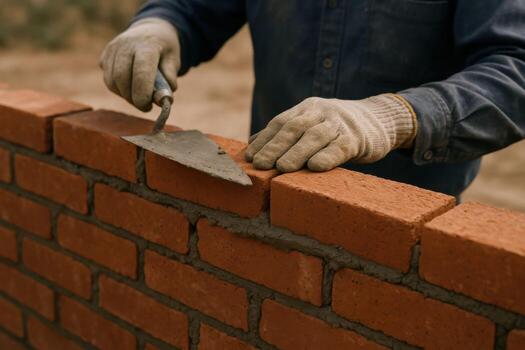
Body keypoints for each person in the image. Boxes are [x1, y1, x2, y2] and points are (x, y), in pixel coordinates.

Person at [100, 0, 525, 198]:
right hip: (271, 196)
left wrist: (395, 118)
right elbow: (193, 8)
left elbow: (515, 67)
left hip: (407, 218)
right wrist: (160, 24)